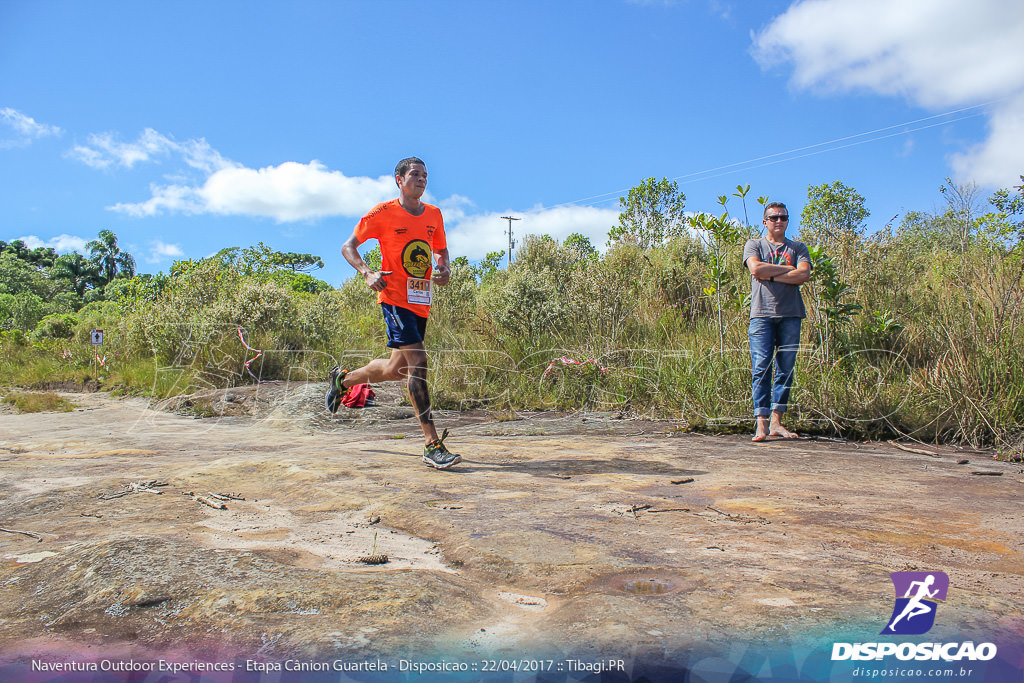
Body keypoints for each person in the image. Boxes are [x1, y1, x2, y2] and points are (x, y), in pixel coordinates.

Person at [326, 157, 460, 469]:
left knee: (396, 370)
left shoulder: (434, 215)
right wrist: (366, 272)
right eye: (415, 174)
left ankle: (344, 380)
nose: (422, 180)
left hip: (420, 300)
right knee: (419, 363)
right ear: (399, 180)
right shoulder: (383, 212)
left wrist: (444, 267)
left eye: (425, 175)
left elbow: (440, 249)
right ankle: (432, 444)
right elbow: (348, 247)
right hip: (394, 298)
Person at [742, 202, 811, 442]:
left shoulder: (798, 247)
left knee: (785, 369)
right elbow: (755, 269)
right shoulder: (755, 245)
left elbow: (803, 274)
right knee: (761, 368)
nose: (779, 221)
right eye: (774, 218)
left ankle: (776, 422)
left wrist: (770, 273)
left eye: (783, 217)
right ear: (765, 221)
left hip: (791, 315)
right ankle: (760, 423)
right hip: (762, 316)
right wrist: (785, 270)